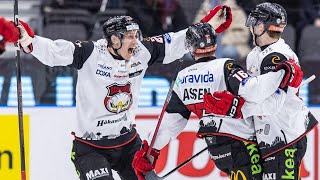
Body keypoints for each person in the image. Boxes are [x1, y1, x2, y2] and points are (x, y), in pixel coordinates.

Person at [13, 7, 231, 180]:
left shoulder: (141, 52)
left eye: (136, 35)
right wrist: (29, 41)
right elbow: (54, 51)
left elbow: (175, 41)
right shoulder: (89, 53)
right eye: (129, 36)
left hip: (128, 143)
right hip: (91, 147)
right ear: (114, 39)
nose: (135, 41)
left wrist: (209, 25)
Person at [132, 22, 303, 180]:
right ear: (215, 44)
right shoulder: (226, 66)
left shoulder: (182, 78)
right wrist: (283, 73)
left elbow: (169, 123)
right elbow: (252, 90)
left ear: (191, 48)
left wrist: (149, 150)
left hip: (217, 150)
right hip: (243, 144)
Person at [204, 3, 319, 180]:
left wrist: (235, 107)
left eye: (254, 22)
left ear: (260, 26)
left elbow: (271, 105)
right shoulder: (255, 54)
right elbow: (255, 96)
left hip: (285, 137)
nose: (251, 26)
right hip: (267, 134)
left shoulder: (278, 57)